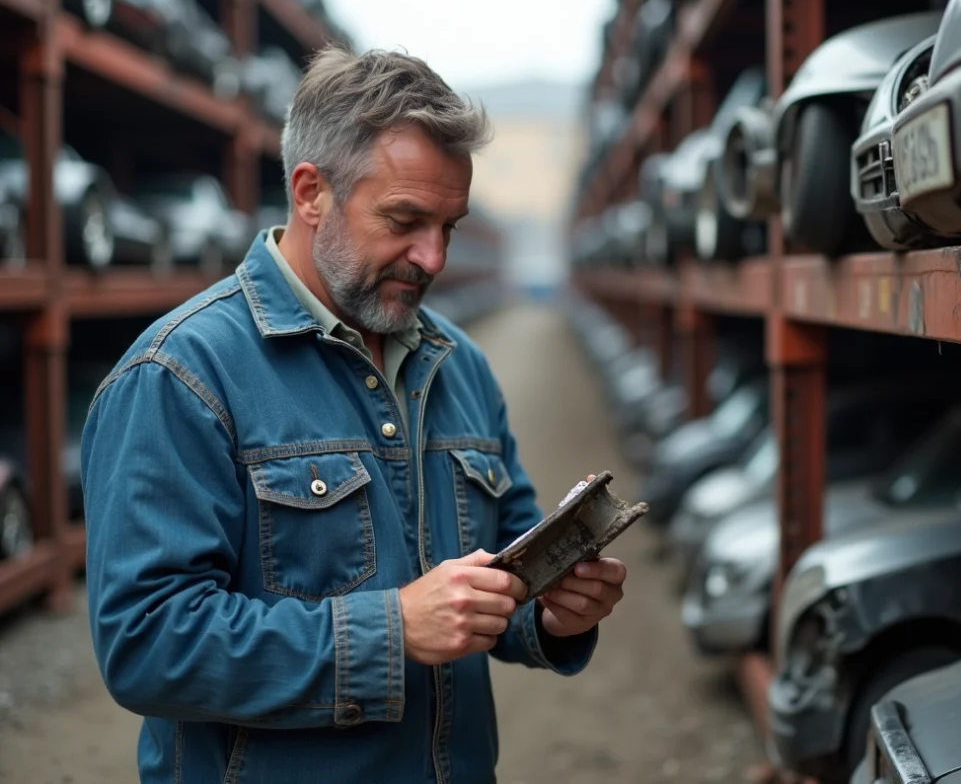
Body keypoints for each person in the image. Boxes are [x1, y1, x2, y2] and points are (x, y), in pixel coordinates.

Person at [80, 44, 628, 784]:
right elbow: (146, 645)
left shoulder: (456, 363)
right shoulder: (181, 375)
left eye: (450, 226)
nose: (432, 257)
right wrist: (393, 628)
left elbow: (503, 560)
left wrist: (552, 610)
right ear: (311, 192)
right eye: (405, 219)